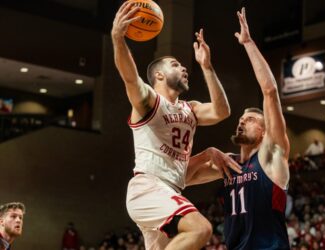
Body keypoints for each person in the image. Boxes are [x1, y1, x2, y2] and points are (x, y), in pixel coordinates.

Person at [111, 2, 240, 250]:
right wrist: (118, 39)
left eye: (183, 65)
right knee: (201, 228)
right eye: (174, 64)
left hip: (171, 189)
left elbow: (222, 111)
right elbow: (129, 76)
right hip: (148, 188)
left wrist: (207, 66)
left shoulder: (189, 109)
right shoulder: (149, 102)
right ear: (158, 75)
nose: (183, 68)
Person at [186, 7, 290, 249]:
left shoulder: (271, 156)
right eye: (241, 119)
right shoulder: (228, 165)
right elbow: (181, 179)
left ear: (265, 132)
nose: (242, 121)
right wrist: (207, 154)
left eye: (251, 119)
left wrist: (247, 42)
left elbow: (270, 91)